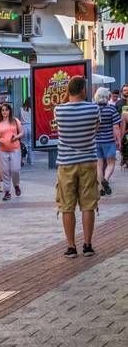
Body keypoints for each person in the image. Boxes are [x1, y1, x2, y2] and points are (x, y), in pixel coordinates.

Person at [54, 73, 101, 256]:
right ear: (83, 90)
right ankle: (87, 245)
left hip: (66, 163)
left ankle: (71, 246)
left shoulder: (59, 110)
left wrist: (66, 96)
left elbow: (58, 127)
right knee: (88, 204)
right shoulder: (93, 108)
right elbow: (95, 129)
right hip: (88, 160)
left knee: (67, 205)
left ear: (68, 90)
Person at [94, 86, 121, 196]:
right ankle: (105, 179)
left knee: (99, 165)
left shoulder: (93, 109)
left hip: (96, 141)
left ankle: (100, 188)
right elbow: (116, 127)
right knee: (110, 164)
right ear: (107, 96)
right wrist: (119, 140)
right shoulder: (111, 109)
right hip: (109, 141)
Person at [0, 100, 22, 201]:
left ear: (10, 111)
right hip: (3, 150)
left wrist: (16, 136)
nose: (4, 112)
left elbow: (22, 133)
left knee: (15, 169)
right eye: (2, 110)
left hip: (15, 148)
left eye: (6, 110)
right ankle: (7, 192)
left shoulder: (15, 121)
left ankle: (16, 185)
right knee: (5, 171)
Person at [20, 99, 33, 165]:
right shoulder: (32, 109)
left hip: (23, 127)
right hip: (31, 126)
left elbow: (19, 118)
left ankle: (23, 158)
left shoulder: (21, 109)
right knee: (30, 144)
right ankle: (30, 160)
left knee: (24, 144)